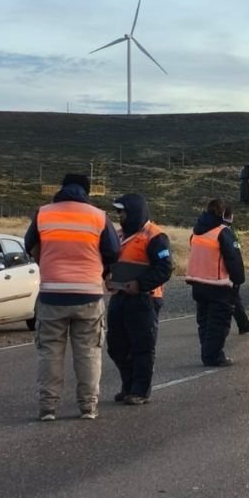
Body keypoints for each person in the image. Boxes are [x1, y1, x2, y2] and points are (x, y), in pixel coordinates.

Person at [25, 173, 119, 421]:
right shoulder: (98, 216)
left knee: (50, 352)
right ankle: (88, 406)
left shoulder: (44, 213)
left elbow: (29, 244)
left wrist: (46, 262)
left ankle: (48, 407)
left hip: (52, 294)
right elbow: (113, 251)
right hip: (88, 294)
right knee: (88, 352)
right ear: (86, 191)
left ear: (62, 188)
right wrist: (103, 270)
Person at [107, 193, 172, 405]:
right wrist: (107, 277)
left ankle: (140, 390)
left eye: (122, 211)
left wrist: (140, 284)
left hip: (145, 299)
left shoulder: (155, 237)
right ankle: (128, 385)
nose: (119, 215)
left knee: (142, 346)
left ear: (134, 211)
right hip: (119, 296)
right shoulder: (118, 236)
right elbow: (107, 263)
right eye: (117, 212)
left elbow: (164, 269)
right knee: (116, 346)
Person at [186, 198, 245, 366]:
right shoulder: (223, 232)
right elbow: (233, 259)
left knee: (204, 321)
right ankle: (213, 356)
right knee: (218, 322)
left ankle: (207, 352)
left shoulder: (197, 232)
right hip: (218, 284)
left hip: (198, 283)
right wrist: (238, 280)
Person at [223, 205, 249, 335]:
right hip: (225, 273)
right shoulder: (226, 232)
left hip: (216, 273)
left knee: (234, 300)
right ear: (231, 216)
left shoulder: (213, 230)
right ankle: (241, 325)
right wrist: (238, 276)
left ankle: (243, 324)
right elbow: (233, 256)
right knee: (232, 300)